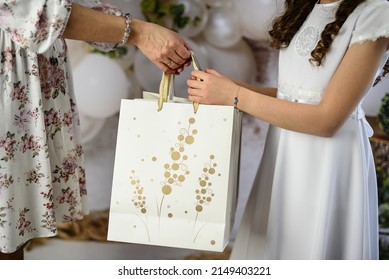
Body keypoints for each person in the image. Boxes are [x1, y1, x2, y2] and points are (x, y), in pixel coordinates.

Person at [187, 0, 389, 259]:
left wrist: (235, 96)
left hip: (326, 160)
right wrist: (227, 87)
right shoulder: (306, 5)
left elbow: (327, 119)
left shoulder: (376, 11)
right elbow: (294, 95)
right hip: (283, 152)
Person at [0, 0, 191, 260]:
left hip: (25, 75)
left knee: (12, 228)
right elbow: (35, 10)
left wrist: (136, 32)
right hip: (12, 74)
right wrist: (139, 32)